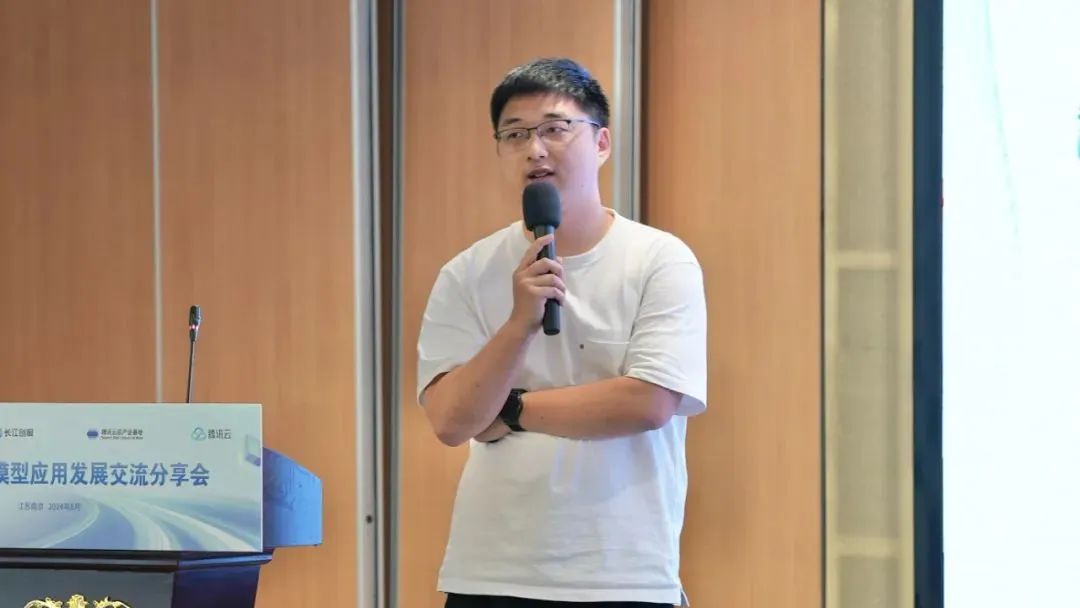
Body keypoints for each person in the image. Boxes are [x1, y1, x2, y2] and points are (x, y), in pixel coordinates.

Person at [416, 57, 708, 608]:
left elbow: (647, 403)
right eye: (515, 134)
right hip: (490, 572)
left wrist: (511, 408)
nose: (535, 149)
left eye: (555, 128)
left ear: (601, 143)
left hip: (623, 572)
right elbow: (452, 421)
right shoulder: (466, 273)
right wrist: (519, 324)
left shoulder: (660, 260)